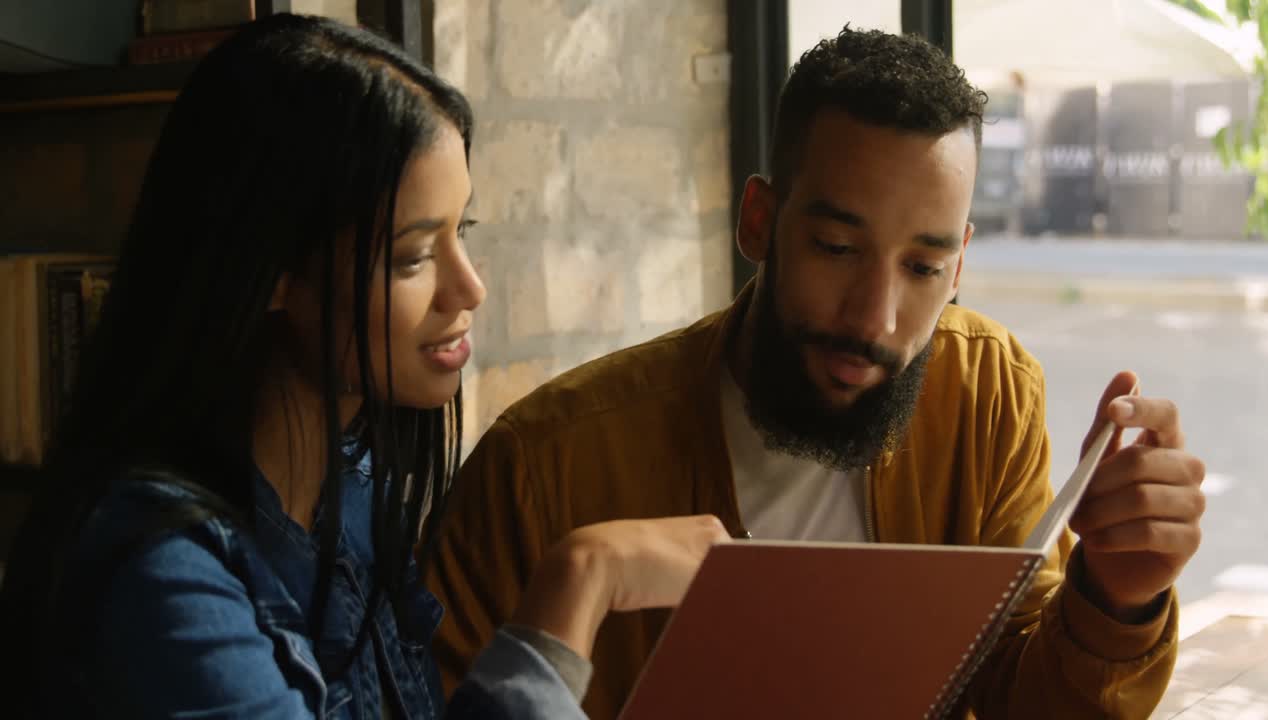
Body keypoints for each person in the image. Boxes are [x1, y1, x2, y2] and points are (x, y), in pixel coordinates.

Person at [429, 27, 1207, 720]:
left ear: (961, 263)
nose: (875, 319)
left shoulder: (985, 393)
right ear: (760, 222)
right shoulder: (542, 469)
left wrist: (1117, 596)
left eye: (925, 267)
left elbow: (1021, 699)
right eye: (836, 249)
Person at [0, 14, 729, 719]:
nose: (469, 287)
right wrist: (581, 580)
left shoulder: (353, 505)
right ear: (273, 271)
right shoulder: (159, 577)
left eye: (461, 232)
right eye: (414, 254)